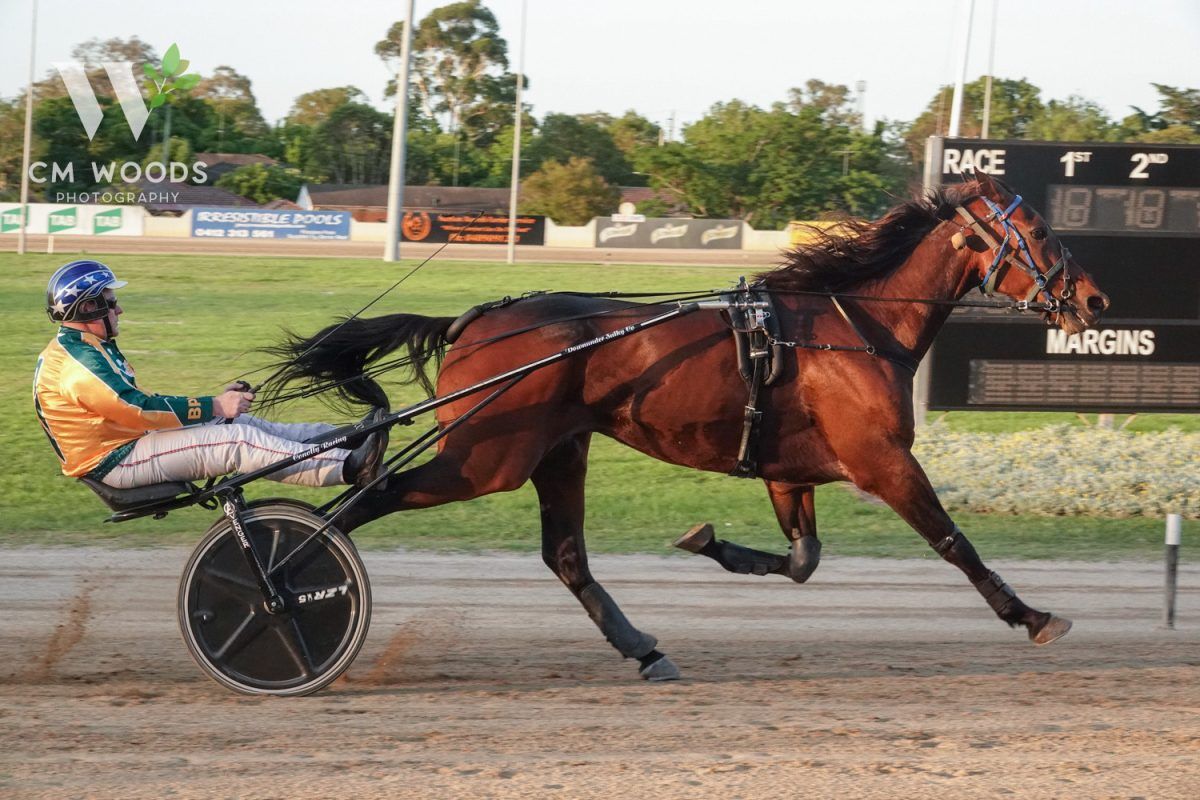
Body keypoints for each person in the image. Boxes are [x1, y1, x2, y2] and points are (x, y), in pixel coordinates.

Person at [34, 260, 387, 492]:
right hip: (115, 460)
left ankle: (349, 439)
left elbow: (139, 405)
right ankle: (351, 468)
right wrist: (215, 404)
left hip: (130, 442)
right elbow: (135, 408)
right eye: (111, 302)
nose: (119, 308)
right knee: (238, 442)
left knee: (250, 429)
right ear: (89, 308)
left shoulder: (86, 346)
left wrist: (215, 407)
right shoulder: (77, 361)